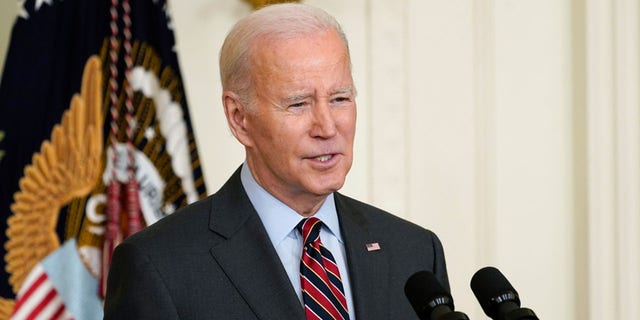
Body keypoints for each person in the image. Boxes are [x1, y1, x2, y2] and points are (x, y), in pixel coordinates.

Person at [103, 3, 449, 319]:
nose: (327, 127)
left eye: (340, 98)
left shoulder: (414, 253)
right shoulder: (160, 266)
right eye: (298, 104)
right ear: (239, 118)